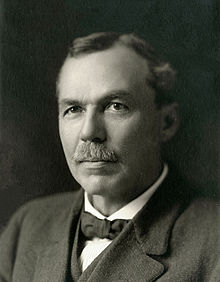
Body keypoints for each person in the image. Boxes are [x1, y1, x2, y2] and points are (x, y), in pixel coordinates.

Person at [0, 32, 219, 281]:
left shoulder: (215, 242)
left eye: (116, 106)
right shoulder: (26, 226)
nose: (90, 132)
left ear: (166, 123)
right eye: (73, 109)